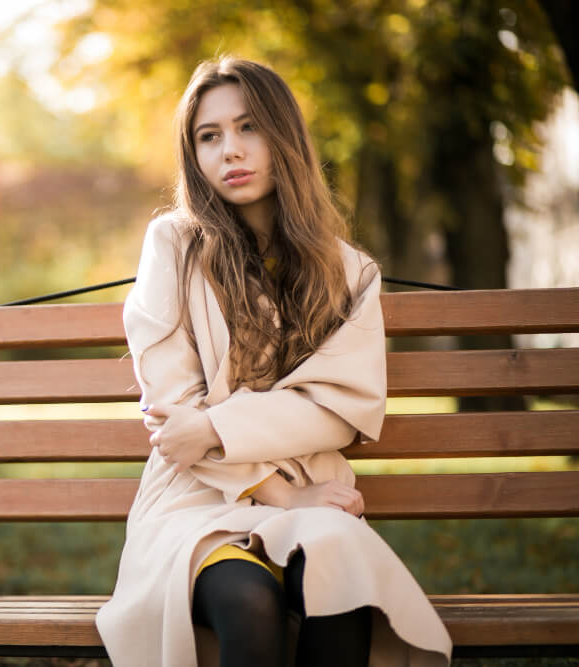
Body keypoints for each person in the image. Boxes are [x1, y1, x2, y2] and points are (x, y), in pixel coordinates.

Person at [95, 56, 453, 667]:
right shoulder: (174, 248)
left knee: (340, 587)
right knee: (249, 600)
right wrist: (282, 495)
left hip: (315, 486)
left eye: (248, 127)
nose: (229, 151)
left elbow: (341, 408)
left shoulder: (350, 273)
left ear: (283, 136)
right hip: (196, 502)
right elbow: (171, 413)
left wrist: (215, 425)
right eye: (209, 137)